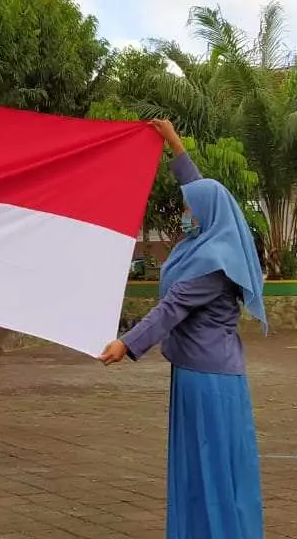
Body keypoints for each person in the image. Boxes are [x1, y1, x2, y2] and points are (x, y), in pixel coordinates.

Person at [100, 119, 266, 539]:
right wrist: (174, 144)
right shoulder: (207, 243)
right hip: (197, 375)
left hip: (209, 381)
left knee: (214, 468)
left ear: (207, 214)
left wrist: (127, 344)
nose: (187, 214)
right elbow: (200, 189)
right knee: (199, 466)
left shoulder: (215, 262)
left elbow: (171, 309)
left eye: (192, 210)